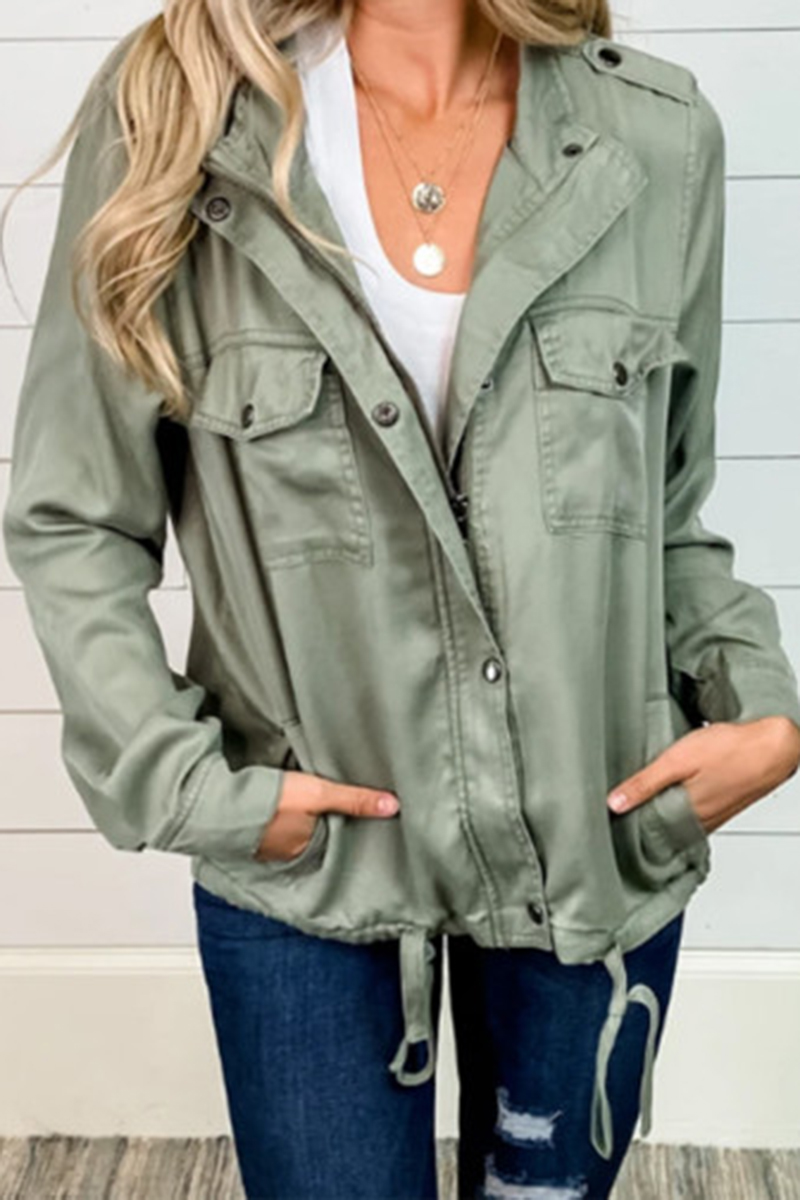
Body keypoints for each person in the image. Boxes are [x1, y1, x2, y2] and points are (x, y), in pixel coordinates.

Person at [4, 1, 800, 1197]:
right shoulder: (180, 112)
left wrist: (760, 707)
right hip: (311, 871)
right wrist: (189, 786)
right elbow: (74, 516)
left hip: (589, 843)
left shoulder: (656, 132)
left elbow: (667, 520)